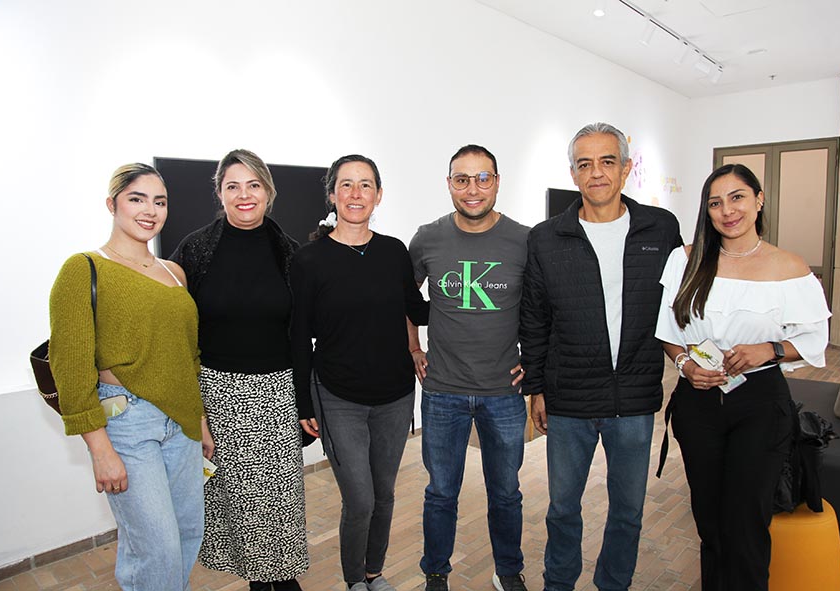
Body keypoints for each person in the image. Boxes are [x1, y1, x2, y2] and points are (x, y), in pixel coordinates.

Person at [520, 122, 682, 591]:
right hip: (569, 397)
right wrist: (536, 387)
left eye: (607, 161)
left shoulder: (660, 227)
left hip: (633, 398)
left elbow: (679, 298)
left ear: (626, 168)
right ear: (573, 174)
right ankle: (559, 583)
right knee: (563, 509)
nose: (597, 173)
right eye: (585, 164)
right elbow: (534, 319)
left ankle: (614, 584)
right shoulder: (546, 237)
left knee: (628, 512)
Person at [655, 163, 830, 590]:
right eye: (715, 202)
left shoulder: (788, 266)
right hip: (698, 401)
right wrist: (686, 367)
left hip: (760, 404)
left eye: (737, 197)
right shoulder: (686, 259)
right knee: (710, 522)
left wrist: (767, 349)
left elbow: (813, 339)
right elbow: (668, 333)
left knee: (746, 524)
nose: (726, 210)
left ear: (758, 200)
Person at [50, 163, 208, 591]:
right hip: (126, 422)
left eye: (160, 201)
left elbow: (188, 356)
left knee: (187, 534)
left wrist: (201, 423)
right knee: (154, 547)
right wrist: (99, 448)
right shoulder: (83, 269)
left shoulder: (175, 274)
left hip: (183, 424)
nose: (150, 210)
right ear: (112, 204)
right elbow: (70, 364)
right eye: (137, 198)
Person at [170, 149, 308, 591]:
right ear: (220, 192)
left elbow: (304, 333)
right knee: (241, 506)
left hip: (277, 393)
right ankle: (258, 582)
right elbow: (178, 331)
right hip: (218, 394)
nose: (243, 195)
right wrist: (195, 411)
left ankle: (283, 581)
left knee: (279, 504)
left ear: (268, 192)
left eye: (253, 185)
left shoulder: (291, 253)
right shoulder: (194, 250)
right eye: (233, 186)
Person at [291, 154, 429, 591]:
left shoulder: (393, 251)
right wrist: (303, 401)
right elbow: (297, 337)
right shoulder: (309, 259)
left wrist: (463, 293)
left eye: (365, 185)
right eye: (346, 185)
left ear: (379, 195)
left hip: (395, 396)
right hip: (337, 396)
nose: (356, 194)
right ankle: (354, 582)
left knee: (384, 496)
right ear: (332, 195)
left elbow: (417, 309)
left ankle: (374, 573)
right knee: (361, 499)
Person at [407, 145, 530, 591]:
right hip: (442, 391)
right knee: (441, 493)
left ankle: (508, 571)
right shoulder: (427, 238)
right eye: (462, 179)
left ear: (497, 181)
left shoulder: (523, 239)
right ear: (449, 184)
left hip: (504, 392)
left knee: (506, 494)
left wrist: (533, 360)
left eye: (482, 178)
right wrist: (413, 346)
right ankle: (435, 573)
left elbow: (540, 308)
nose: (472, 188)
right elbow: (404, 297)